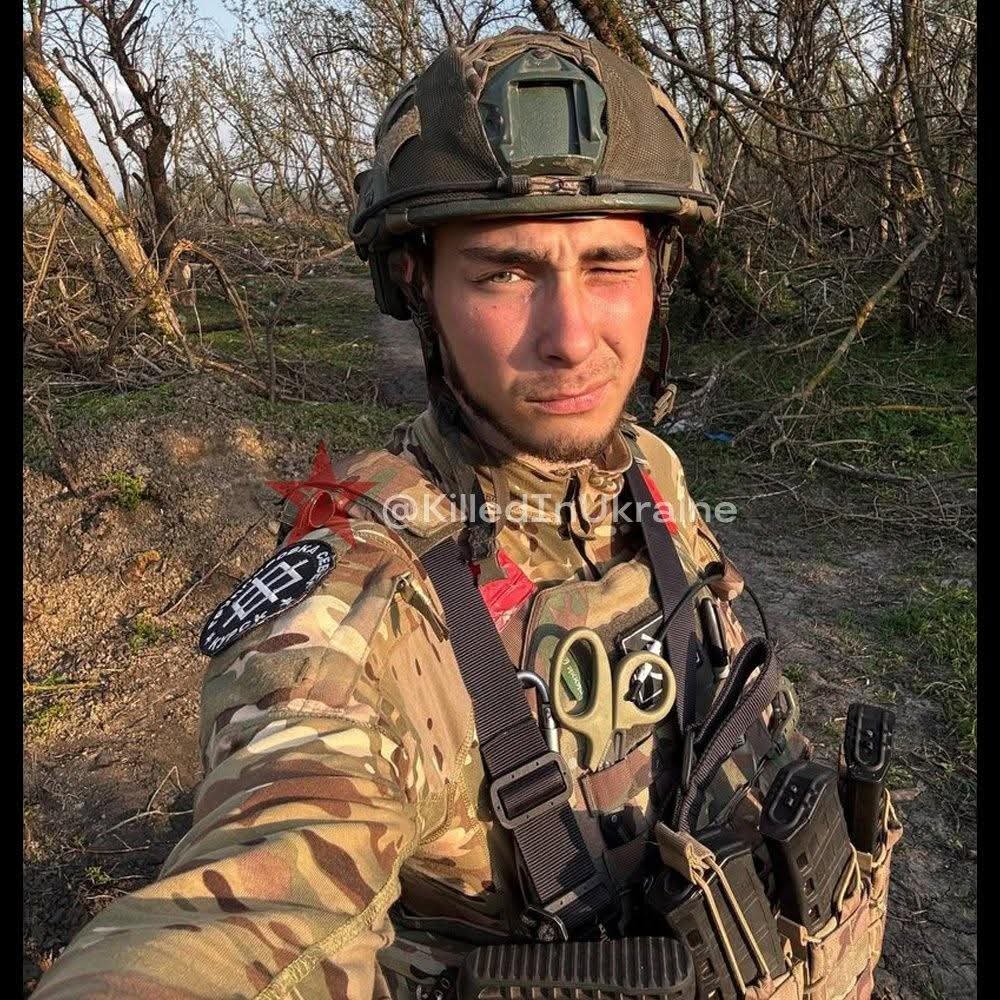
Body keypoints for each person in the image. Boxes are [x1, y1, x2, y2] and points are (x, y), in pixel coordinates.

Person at [35, 28, 899, 1000]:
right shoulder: (359, 608)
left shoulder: (648, 470)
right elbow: (251, 898)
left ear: (659, 270)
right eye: (504, 273)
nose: (571, 338)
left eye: (609, 264)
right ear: (417, 285)